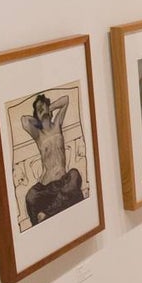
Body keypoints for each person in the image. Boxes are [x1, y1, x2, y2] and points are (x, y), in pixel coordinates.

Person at [21, 92, 85, 225]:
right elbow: (24, 120)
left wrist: (48, 108)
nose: (41, 109)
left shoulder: (57, 124)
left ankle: (46, 214)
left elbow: (66, 99)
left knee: (74, 174)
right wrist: (39, 115)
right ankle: (38, 226)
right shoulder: (38, 135)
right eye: (37, 109)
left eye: (43, 106)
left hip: (62, 181)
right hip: (46, 186)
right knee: (30, 197)